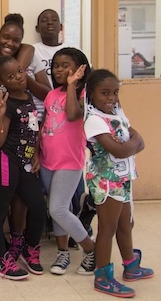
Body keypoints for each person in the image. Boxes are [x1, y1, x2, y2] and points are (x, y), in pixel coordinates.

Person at [84, 69, 153, 298]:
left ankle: (131, 266)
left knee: (126, 225)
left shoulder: (117, 115)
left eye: (114, 92)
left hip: (122, 179)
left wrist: (129, 145)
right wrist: (129, 145)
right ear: (91, 94)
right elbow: (120, 150)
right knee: (108, 228)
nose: (111, 98)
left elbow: (139, 142)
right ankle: (102, 277)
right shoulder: (94, 120)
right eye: (104, 93)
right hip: (106, 182)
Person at [0, 56, 46, 280]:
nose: (19, 77)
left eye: (20, 71)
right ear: (1, 82)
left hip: (25, 163)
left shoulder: (28, 96)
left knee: (38, 207)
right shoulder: (7, 103)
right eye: (11, 76)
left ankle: (29, 250)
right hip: (4, 162)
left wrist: (36, 154)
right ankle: (1, 260)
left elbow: (32, 130)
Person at [39, 48, 96, 275]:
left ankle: (91, 250)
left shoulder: (84, 95)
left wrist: (72, 85)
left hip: (69, 162)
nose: (59, 70)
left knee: (58, 209)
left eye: (65, 65)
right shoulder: (52, 95)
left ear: (80, 68)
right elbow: (45, 126)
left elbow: (72, 115)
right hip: (46, 160)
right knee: (57, 208)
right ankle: (62, 253)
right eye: (56, 66)